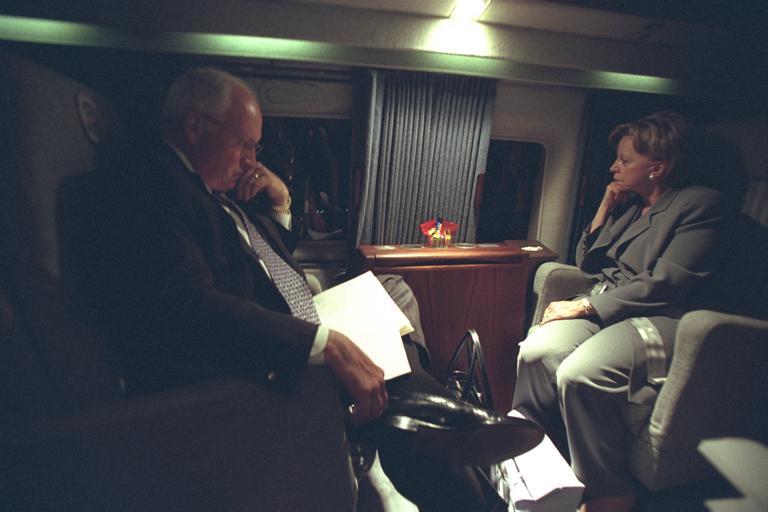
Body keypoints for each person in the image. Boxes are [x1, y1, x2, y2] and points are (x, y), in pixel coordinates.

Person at [98, 66, 513, 511]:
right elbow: (191, 308)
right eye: (244, 145)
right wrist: (322, 343)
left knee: (392, 296)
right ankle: (458, 441)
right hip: (264, 351)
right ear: (195, 126)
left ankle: (443, 412)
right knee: (396, 385)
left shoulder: (213, 191)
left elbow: (267, 256)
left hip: (296, 309)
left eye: (255, 148)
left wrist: (280, 199)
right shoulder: (154, 187)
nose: (250, 161)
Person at [511, 111, 732, 512]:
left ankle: (609, 491)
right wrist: (605, 204)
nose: (614, 167)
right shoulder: (632, 208)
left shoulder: (700, 204)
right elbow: (588, 262)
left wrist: (585, 305)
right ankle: (531, 451)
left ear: (657, 168)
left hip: (661, 313)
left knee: (581, 374)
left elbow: (668, 282)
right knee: (537, 351)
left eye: (625, 160)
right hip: (610, 303)